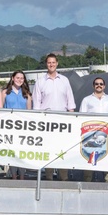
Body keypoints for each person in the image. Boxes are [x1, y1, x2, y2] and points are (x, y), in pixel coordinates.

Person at [32, 53, 75, 181]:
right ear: (46, 64)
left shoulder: (65, 80)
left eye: (53, 62)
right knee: (48, 149)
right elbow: (36, 105)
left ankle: (64, 177)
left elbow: (70, 102)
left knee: (63, 149)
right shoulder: (40, 82)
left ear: (57, 63)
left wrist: (72, 120)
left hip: (63, 120)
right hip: (47, 121)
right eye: (49, 62)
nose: (51, 64)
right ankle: (49, 176)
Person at [79, 76, 108, 183]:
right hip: (90, 133)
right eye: (97, 83)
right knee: (89, 155)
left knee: (106, 155)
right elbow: (81, 116)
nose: (99, 85)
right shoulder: (86, 100)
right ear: (93, 86)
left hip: (107, 133)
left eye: (101, 84)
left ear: (104, 86)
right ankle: (87, 180)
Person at [3, 70, 32, 179]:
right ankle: (14, 175)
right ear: (12, 78)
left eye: (22, 78)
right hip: (9, 127)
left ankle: (22, 175)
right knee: (12, 152)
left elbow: (29, 112)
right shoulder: (5, 93)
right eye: (17, 78)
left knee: (21, 152)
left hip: (23, 128)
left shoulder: (27, 94)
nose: (19, 80)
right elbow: (1, 110)